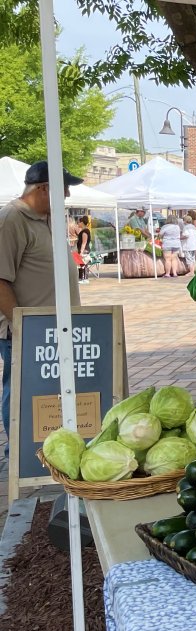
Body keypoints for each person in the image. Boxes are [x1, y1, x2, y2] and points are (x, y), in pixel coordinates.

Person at [0, 161, 83, 459]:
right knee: (21, 389)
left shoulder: (47, 218)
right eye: (64, 189)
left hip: (53, 328)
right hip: (24, 330)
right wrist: (21, 326)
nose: (68, 196)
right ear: (43, 189)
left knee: (47, 390)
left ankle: (43, 448)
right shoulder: (11, 219)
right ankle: (19, 452)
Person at [75, 215, 92, 283]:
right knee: (81, 264)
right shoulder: (84, 231)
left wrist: (81, 252)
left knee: (83, 264)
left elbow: (84, 242)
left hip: (84, 250)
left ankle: (83, 278)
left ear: (81, 223)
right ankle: (82, 278)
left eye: (78, 222)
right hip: (83, 249)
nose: (77, 224)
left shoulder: (85, 232)